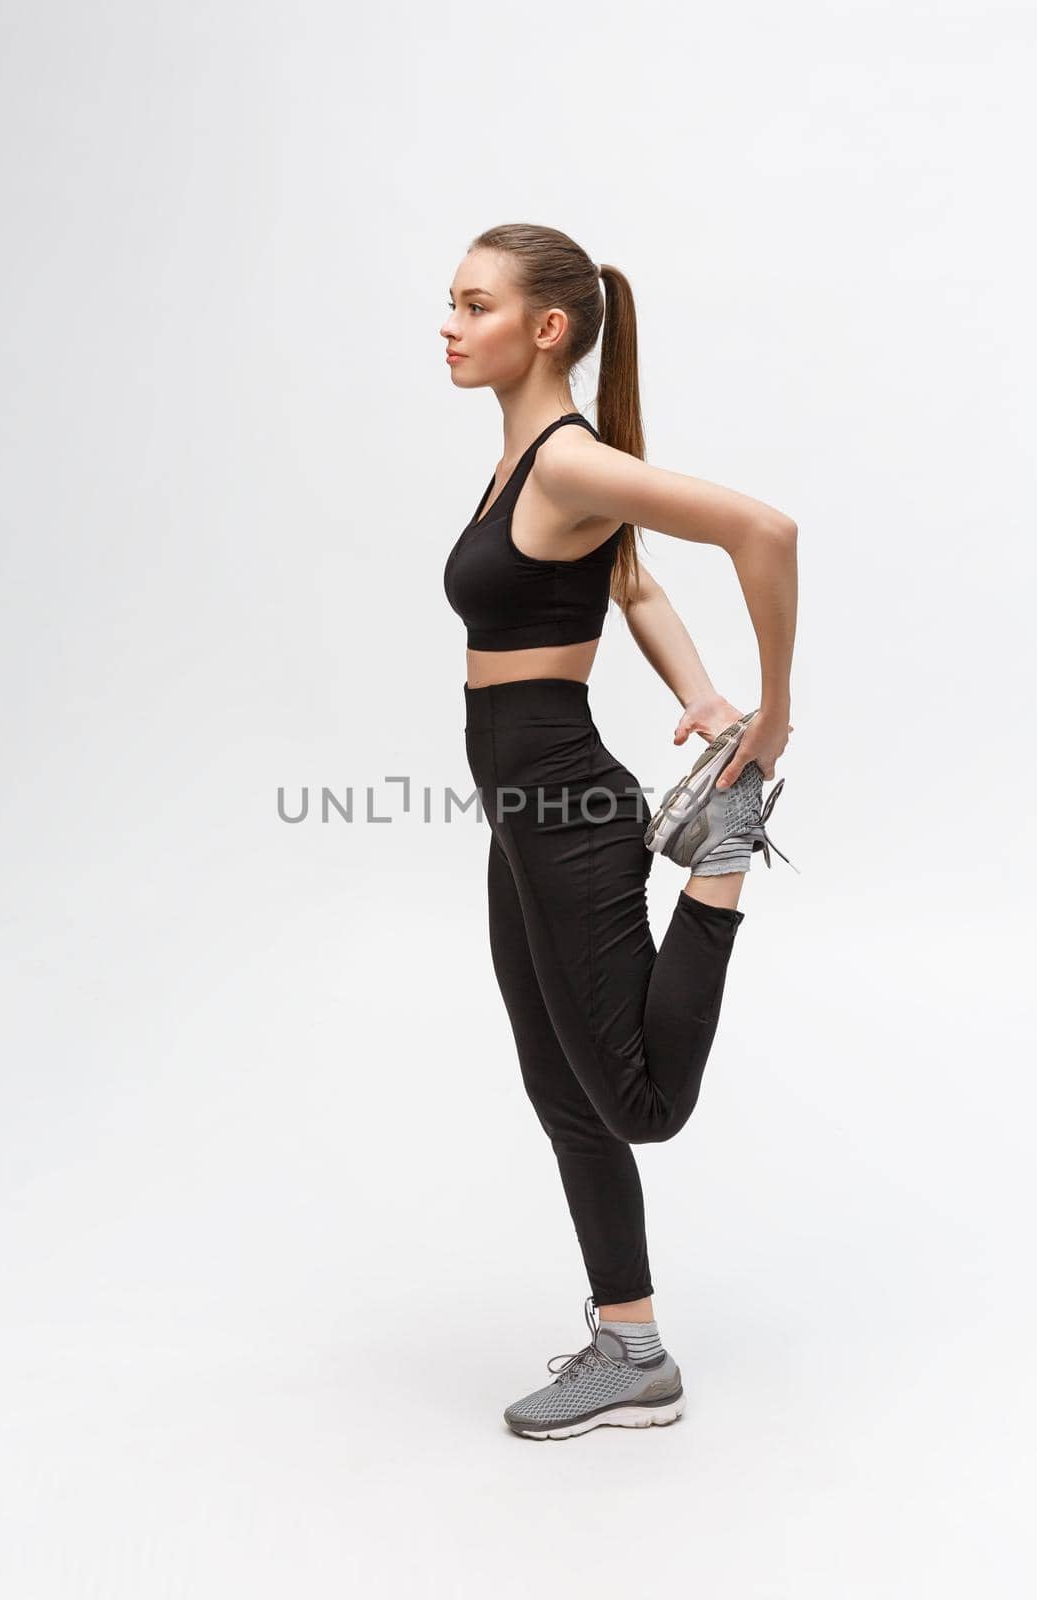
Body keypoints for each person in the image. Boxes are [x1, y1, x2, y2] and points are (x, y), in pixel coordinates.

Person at [440, 223, 799, 1441]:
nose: (447, 323)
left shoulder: (566, 462)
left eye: (472, 304)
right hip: (519, 814)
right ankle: (630, 1349)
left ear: (545, 328)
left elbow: (765, 530)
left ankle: (724, 853)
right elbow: (633, 583)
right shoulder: (525, 460)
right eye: (450, 301)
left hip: (566, 806)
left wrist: (774, 707)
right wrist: (699, 695)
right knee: (562, 1090)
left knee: (640, 1103)